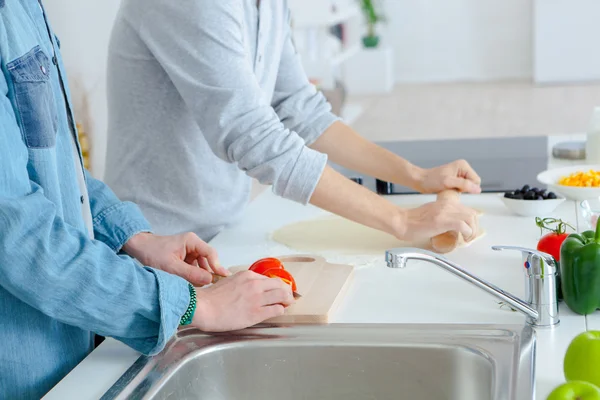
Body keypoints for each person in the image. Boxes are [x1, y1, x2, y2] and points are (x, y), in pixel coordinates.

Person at [0, 3, 294, 399]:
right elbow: (19, 241)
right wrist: (194, 306)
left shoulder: (23, 8)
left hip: (74, 358)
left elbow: (57, 173)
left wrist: (134, 237)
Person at [104, 0, 482, 246]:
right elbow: (253, 136)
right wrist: (401, 220)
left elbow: (299, 108)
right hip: (153, 247)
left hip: (224, 235)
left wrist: (414, 176)